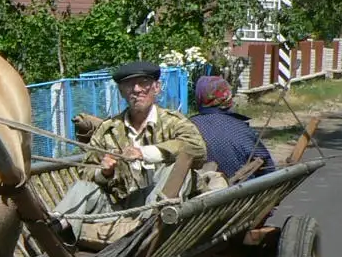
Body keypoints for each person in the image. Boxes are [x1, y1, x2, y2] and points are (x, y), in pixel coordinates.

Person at [55, 60, 208, 220]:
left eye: (143, 83)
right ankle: (56, 228)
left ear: (156, 87)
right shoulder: (108, 129)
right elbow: (85, 171)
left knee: (172, 169)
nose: (136, 89)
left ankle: (148, 225)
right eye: (129, 85)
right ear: (121, 92)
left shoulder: (174, 123)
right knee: (81, 188)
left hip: (163, 213)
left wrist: (144, 153)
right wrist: (104, 172)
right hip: (120, 211)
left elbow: (197, 149)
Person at [190, 75, 275, 182]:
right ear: (227, 98)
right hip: (239, 195)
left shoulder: (186, 126)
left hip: (193, 193)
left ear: (199, 97)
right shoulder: (241, 129)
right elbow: (268, 169)